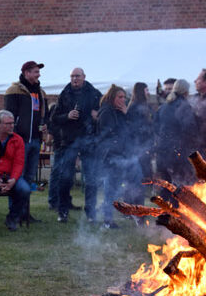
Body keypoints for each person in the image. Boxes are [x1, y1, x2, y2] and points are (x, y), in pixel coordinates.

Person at [51, 67, 102, 223]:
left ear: (84, 77)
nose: (75, 79)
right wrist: (67, 115)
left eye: (77, 76)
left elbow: (105, 113)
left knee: (91, 179)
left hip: (89, 140)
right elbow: (54, 118)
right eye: (72, 76)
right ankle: (63, 211)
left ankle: (91, 213)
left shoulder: (94, 94)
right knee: (65, 178)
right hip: (70, 140)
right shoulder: (65, 94)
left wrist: (97, 116)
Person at [4, 61, 47, 224]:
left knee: (29, 178)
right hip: (19, 141)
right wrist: (12, 137)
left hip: (35, 140)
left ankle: (25, 213)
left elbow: (45, 114)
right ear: (26, 73)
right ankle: (14, 213)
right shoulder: (14, 90)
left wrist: (45, 125)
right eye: (36, 72)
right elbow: (8, 116)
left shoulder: (40, 92)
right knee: (17, 177)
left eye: (38, 72)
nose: (38, 75)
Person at [97, 85, 142, 229]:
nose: (123, 100)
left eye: (124, 97)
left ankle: (136, 213)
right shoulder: (106, 112)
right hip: (112, 156)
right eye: (120, 97)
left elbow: (132, 131)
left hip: (125, 155)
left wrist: (126, 114)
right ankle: (107, 220)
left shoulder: (121, 112)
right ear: (112, 97)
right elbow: (109, 134)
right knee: (111, 188)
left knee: (135, 182)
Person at [154, 79, 198, 188]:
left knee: (166, 187)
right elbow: (190, 130)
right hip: (178, 154)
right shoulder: (184, 107)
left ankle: (166, 204)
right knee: (180, 189)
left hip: (163, 153)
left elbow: (155, 127)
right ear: (186, 92)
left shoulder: (164, 107)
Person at [126, 82, 154, 203]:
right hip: (137, 148)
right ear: (141, 91)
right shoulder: (135, 108)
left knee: (138, 179)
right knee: (136, 179)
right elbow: (134, 129)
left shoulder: (144, 106)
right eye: (146, 90)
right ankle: (133, 206)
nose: (148, 93)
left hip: (143, 148)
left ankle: (133, 205)